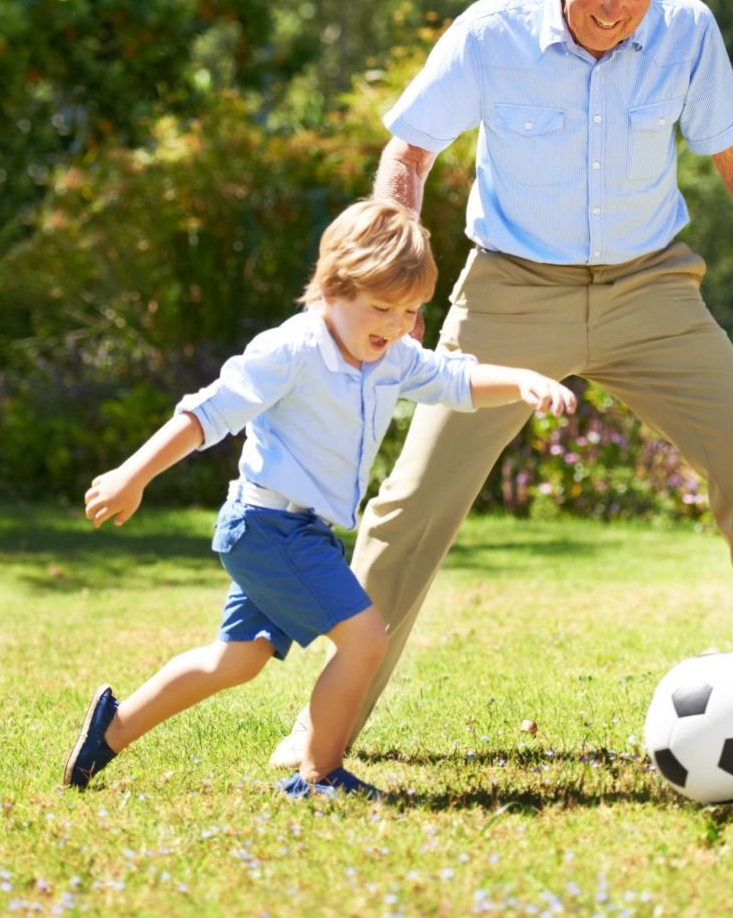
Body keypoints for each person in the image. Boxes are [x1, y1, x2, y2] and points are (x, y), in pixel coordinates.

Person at [271, 0, 733, 771]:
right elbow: (408, 149)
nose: (614, 11)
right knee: (413, 506)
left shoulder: (686, 28)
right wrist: (393, 280)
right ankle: (321, 730)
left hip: (652, 292)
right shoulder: (493, 34)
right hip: (512, 294)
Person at [64, 198, 576, 798]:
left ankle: (111, 729)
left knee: (239, 660)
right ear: (333, 289)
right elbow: (207, 413)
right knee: (365, 639)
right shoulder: (293, 350)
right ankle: (319, 774)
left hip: (295, 531)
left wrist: (521, 380)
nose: (394, 324)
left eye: (410, 310)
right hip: (268, 526)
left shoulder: (392, 357)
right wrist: (133, 473)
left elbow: (454, 380)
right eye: (381, 307)